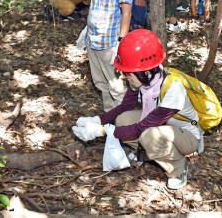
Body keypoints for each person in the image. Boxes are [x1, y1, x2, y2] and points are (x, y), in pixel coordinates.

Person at [72, 29, 205, 190]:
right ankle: (147, 154)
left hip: (188, 137)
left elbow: (142, 128)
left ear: (145, 72)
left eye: (128, 73)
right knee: (123, 119)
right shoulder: (143, 81)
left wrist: (101, 131)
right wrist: (97, 120)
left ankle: (178, 169)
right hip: (162, 128)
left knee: (149, 136)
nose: (124, 77)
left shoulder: (173, 89)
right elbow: (124, 107)